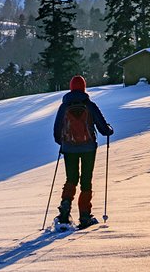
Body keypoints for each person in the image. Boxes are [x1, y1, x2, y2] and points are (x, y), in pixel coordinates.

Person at [53, 75, 113, 228]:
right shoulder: (90, 105)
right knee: (86, 181)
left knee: (71, 179)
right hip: (88, 148)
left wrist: (65, 143)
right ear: (84, 88)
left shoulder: (64, 107)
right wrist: (109, 130)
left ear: (71, 87)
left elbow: (56, 132)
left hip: (69, 149)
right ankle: (85, 216)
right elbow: (103, 129)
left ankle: (65, 209)